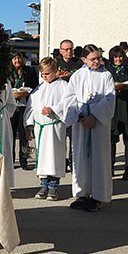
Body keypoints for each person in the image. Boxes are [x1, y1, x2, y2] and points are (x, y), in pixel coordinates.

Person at [65, 44, 115, 212]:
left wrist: (94, 116)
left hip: (97, 125)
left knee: (98, 157)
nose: (97, 61)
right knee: (80, 157)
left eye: (99, 58)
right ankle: (82, 194)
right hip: (81, 124)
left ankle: (97, 195)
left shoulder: (106, 75)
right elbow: (69, 98)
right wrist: (79, 116)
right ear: (84, 59)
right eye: (93, 59)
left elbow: (110, 99)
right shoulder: (77, 76)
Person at [24, 57, 69, 201]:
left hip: (55, 128)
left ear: (55, 71)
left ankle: (53, 187)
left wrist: (53, 110)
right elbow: (31, 107)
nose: (45, 77)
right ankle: (43, 185)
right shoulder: (39, 88)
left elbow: (68, 104)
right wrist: (29, 125)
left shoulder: (63, 86)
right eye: (42, 74)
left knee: (54, 157)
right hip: (41, 129)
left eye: (48, 74)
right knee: (43, 158)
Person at [106, 46, 128, 180]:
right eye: (115, 57)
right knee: (111, 140)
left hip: (127, 107)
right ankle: (110, 167)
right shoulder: (107, 72)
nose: (118, 59)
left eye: (120, 56)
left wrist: (125, 91)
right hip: (112, 109)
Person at [56, 39, 83, 172]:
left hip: (73, 104)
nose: (69, 51)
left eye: (71, 49)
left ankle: (73, 163)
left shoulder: (79, 64)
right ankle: (61, 162)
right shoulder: (56, 64)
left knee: (74, 138)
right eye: (66, 49)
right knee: (60, 137)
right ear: (61, 51)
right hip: (59, 103)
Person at [9, 50, 39, 170]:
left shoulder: (29, 71)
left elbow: (35, 87)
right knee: (10, 134)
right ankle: (10, 160)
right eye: (15, 58)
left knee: (23, 134)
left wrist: (27, 92)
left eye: (19, 58)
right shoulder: (8, 72)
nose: (17, 60)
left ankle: (23, 160)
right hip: (11, 107)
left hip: (24, 106)